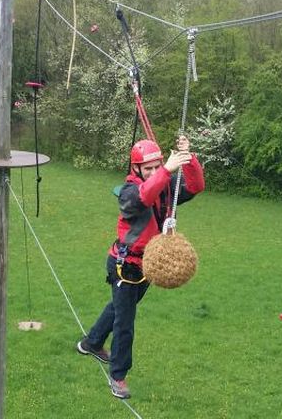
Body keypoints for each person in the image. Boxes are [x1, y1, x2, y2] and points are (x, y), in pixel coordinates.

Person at [76, 135, 205, 399]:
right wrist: (167, 170)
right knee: (125, 322)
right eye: (149, 168)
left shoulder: (166, 187)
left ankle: (91, 343)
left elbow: (196, 186)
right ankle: (118, 376)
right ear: (135, 169)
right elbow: (144, 197)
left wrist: (188, 158)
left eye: (158, 166)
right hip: (125, 265)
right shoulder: (128, 193)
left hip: (148, 266)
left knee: (120, 307)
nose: (155, 172)